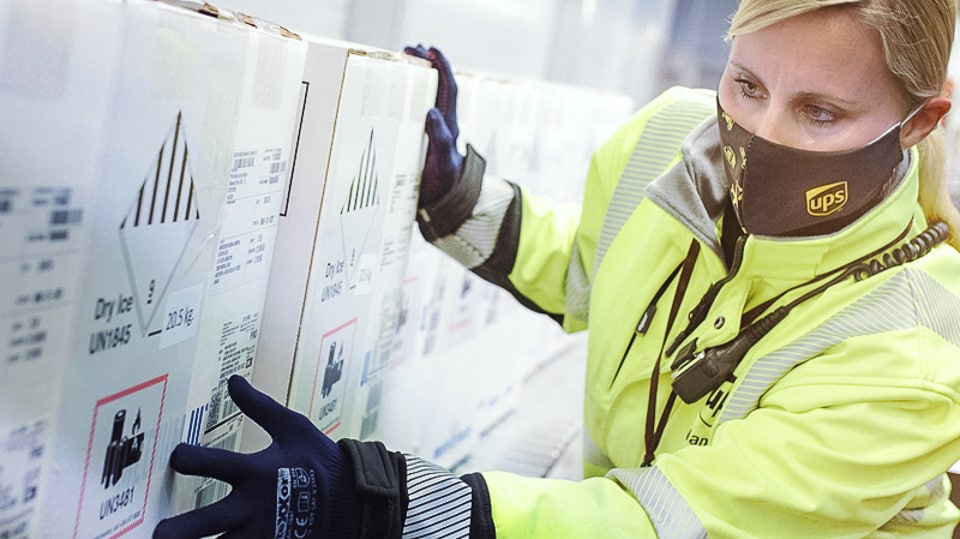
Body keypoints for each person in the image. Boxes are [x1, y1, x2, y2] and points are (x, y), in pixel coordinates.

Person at [154, 0, 960, 537]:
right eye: (746, 85)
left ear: (922, 119)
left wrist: (381, 501)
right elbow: (593, 273)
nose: (758, 133)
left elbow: (667, 521)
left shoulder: (915, 360)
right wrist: (456, 194)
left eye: (820, 112)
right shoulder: (672, 140)